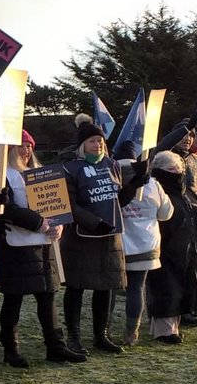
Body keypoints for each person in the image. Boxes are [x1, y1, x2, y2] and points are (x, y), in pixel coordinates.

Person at [0, 132, 85, 366]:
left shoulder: (41, 172)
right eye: (21, 146)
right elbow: (3, 208)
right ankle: (11, 349)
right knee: (13, 299)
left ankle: (56, 346)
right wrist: (38, 222)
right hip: (15, 245)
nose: (26, 151)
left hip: (43, 246)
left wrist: (58, 224)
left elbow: (55, 204)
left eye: (29, 146)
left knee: (48, 297)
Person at [60, 114, 147, 355]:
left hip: (110, 237)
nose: (97, 144)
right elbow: (69, 203)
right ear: (81, 145)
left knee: (105, 287)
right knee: (76, 288)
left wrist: (134, 185)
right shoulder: (70, 168)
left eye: (100, 141)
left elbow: (117, 200)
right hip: (81, 237)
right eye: (92, 141)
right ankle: (74, 337)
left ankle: (101, 334)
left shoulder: (112, 165)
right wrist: (94, 223)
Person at [146, 150, 197, 342]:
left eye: (179, 167)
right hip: (165, 249)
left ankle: (173, 327)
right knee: (166, 289)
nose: (177, 171)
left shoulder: (185, 192)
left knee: (181, 289)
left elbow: (193, 213)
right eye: (171, 168)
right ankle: (164, 331)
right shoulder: (156, 189)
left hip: (186, 249)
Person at [114, 140, 173, 345]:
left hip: (117, 244)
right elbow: (166, 213)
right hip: (146, 244)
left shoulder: (110, 178)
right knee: (136, 287)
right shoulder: (152, 183)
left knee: (110, 288)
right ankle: (132, 331)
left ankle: (103, 329)